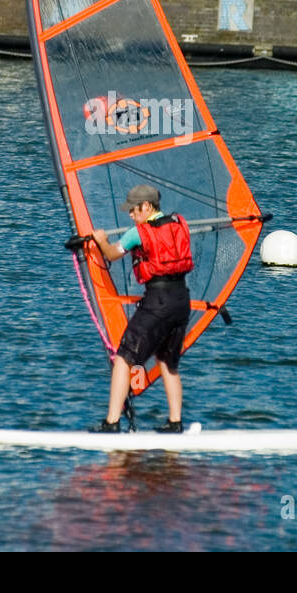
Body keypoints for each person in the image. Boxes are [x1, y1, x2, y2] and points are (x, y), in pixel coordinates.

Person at [88, 184, 193, 433]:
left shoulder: (138, 232)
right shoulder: (178, 224)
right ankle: (176, 422)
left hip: (158, 301)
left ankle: (112, 422)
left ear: (146, 207)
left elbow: (112, 254)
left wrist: (101, 241)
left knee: (124, 358)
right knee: (168, 361)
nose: (131, 215)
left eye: (134, 210)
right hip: (181, 300)